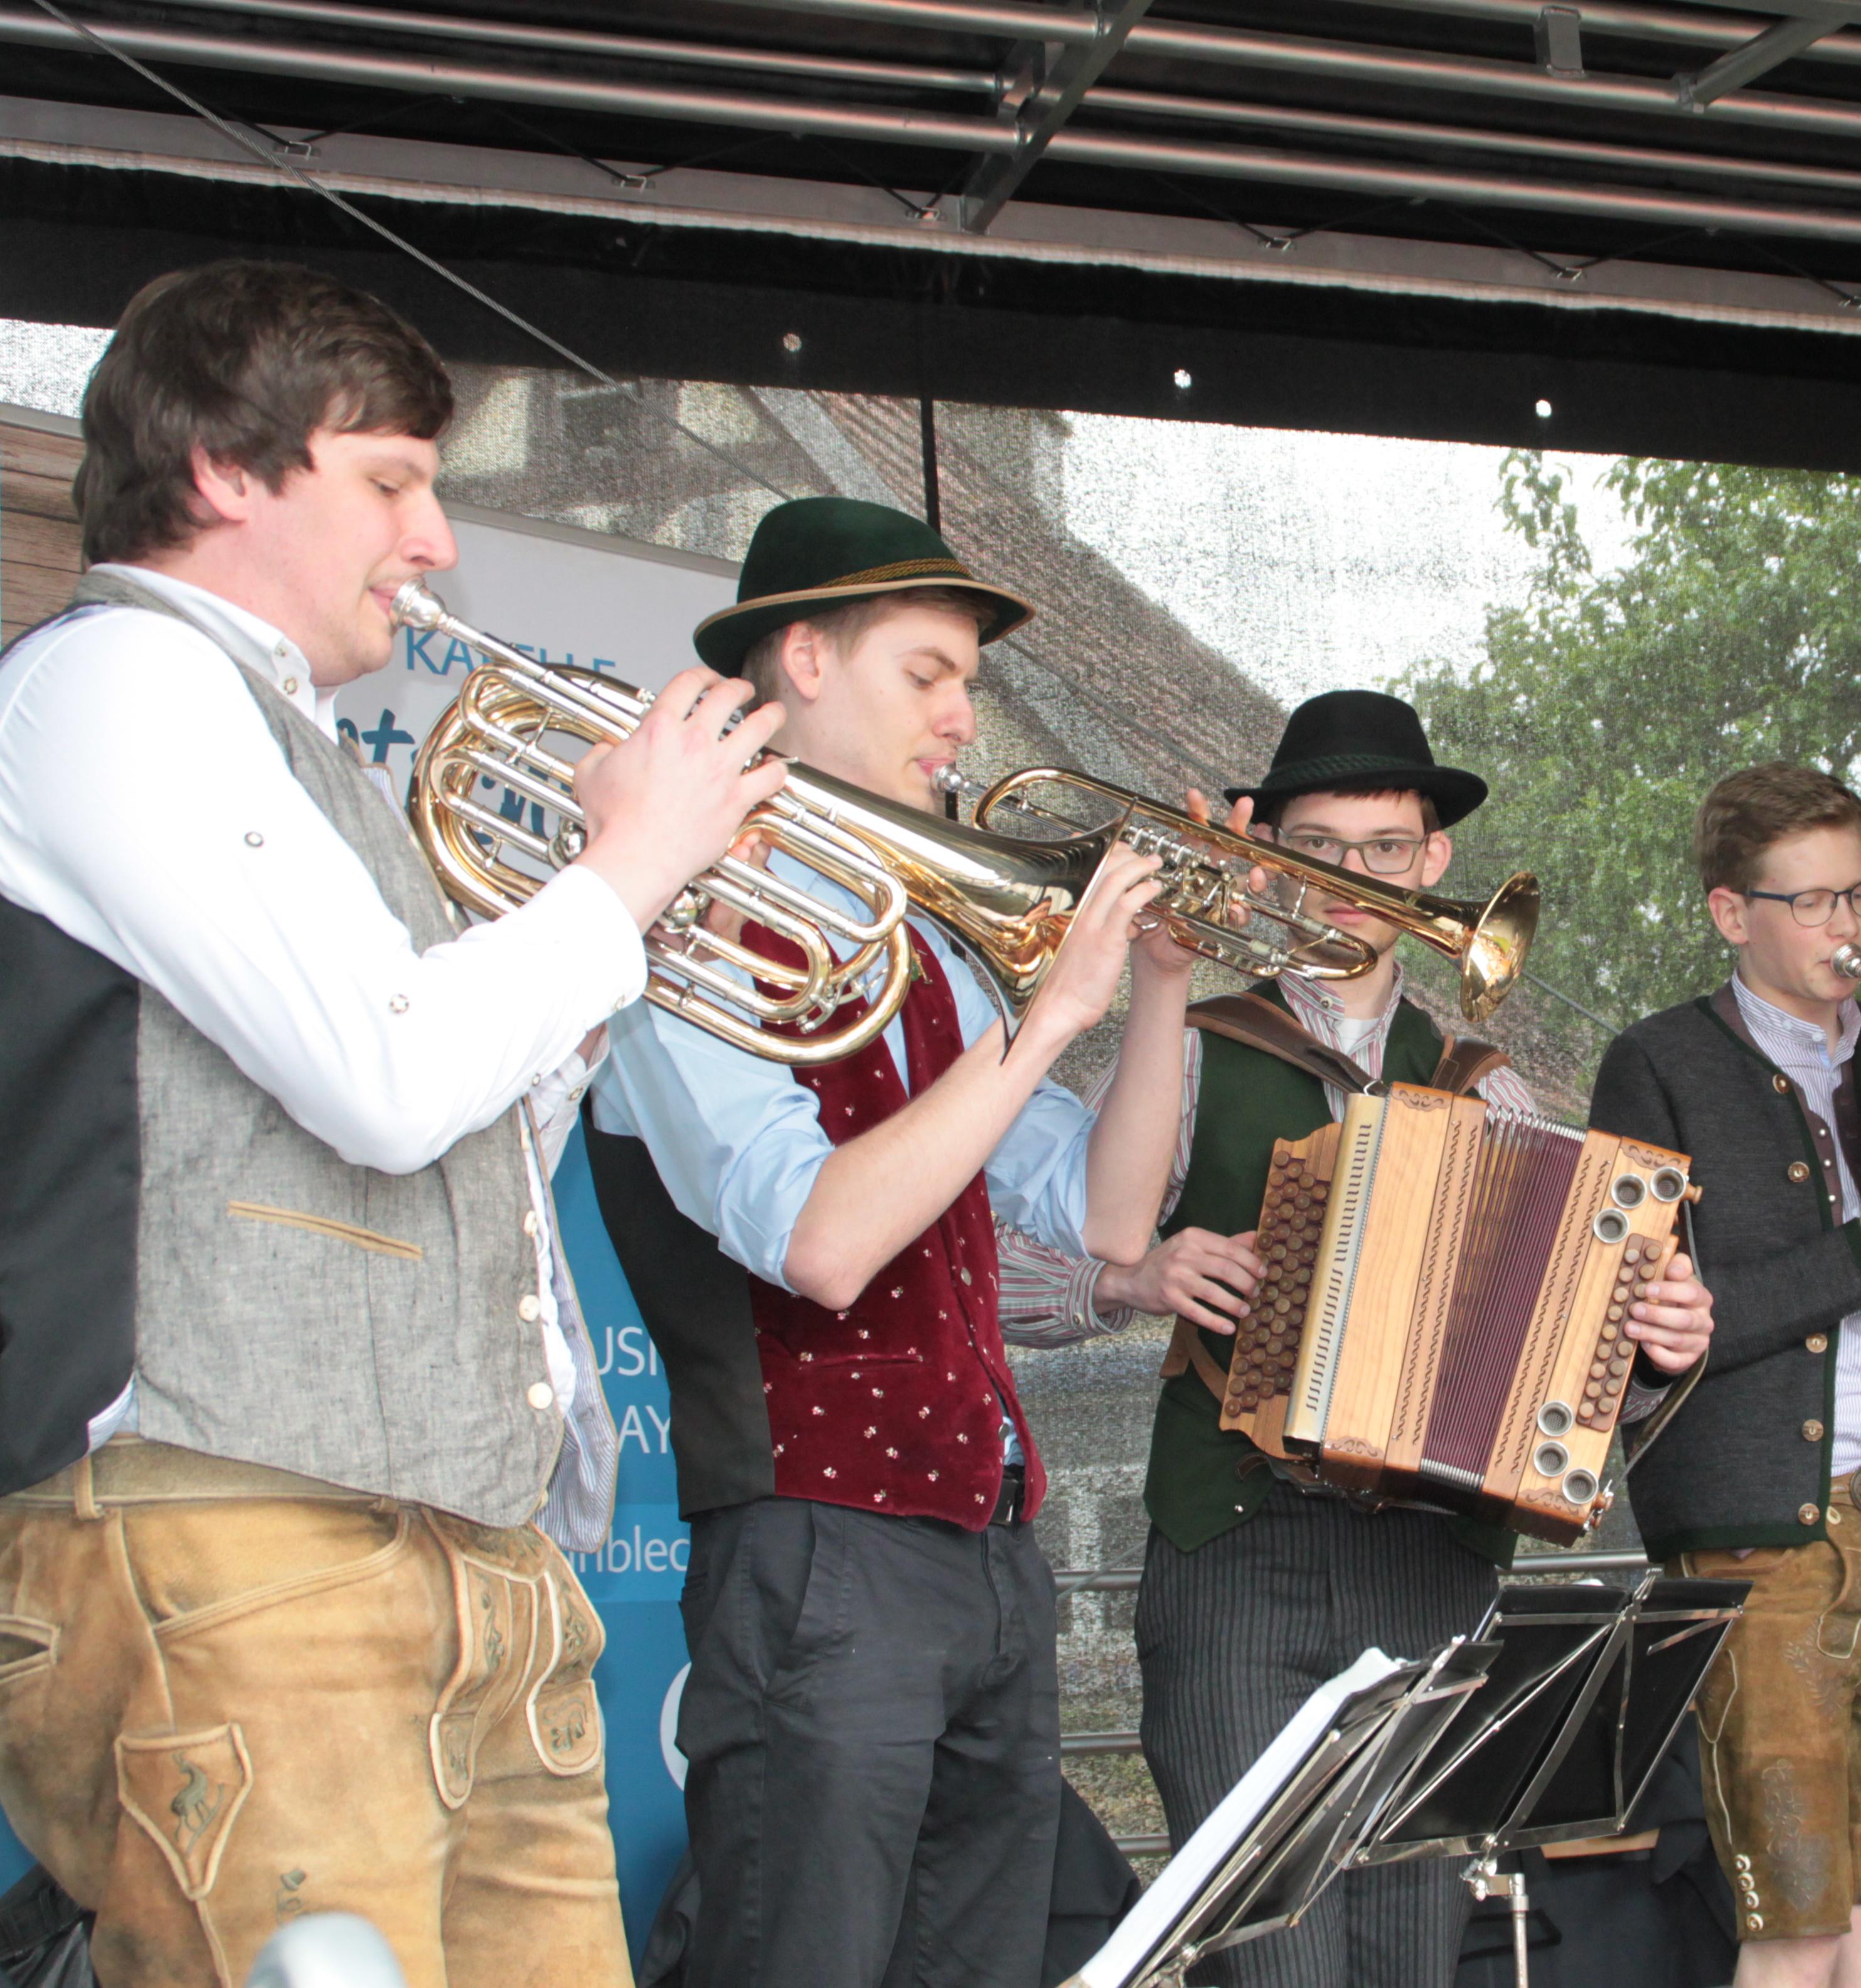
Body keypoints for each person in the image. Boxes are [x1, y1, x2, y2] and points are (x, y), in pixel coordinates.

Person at [0, 260, 781, 1987]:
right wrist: (621, 870)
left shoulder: (299, 739)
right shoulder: (121, 679)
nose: (433, 543)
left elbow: (468, 1124)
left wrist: (620, 936)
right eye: (391, 481)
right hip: (238, 1531)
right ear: (223, 470)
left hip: (445, 1551)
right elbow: (389, 1077)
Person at [1002, 690, 1715, 1988]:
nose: (1351, 882)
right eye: (1317, 851)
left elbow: (1570, 1364)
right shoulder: (1200, 1046)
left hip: (1434, 1566)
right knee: (1265, 1958)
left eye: (1384, 851)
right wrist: (1137, 1280)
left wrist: (1662, 1336)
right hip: (1235, 1549)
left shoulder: (1488, 1087)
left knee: (1408, 1961)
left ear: (1433, 861)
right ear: (1271, 855)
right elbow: (1005, 1274)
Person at [582, 496, 1193, 1988]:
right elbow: (818, 1239)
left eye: (967, 683)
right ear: (802, 657)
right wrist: (1056, 1007)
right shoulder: (686, 912)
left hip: (983, 1548)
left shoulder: (923, 933)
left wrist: (1161, 987)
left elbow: (1104, 1215)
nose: (963, 716)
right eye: (929, 671)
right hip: (814, 1545)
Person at [1587, 763, 1861, 1988]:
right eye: (1813, 904)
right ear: (1732, 912)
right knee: (1797, 1941)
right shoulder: (1659, 1064)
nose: (1850, 931)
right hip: (1759, 1548)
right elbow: (1651, 1331)